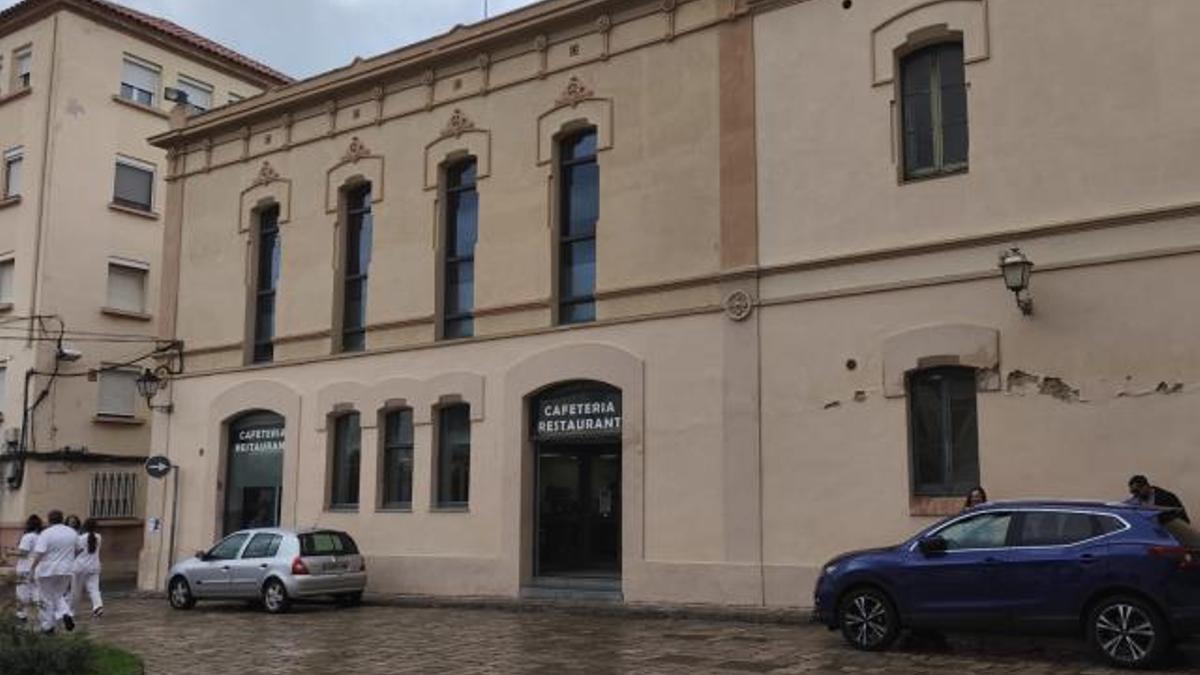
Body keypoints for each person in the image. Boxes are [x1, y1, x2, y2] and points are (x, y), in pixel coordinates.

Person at [30, 510, 78, 634]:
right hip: (66, 570)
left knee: (46, 598)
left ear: (49, 519)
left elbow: (39, 553)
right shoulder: (72, 532)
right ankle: (66, 613)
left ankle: (48, 626)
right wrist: (70, 559)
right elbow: (79, 549)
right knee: (58, 595)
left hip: (47, 570)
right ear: (62, 519)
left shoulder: (46, 533)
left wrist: (32, 568)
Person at [11, 514, 43, 622]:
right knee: (36, 591)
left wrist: (10, 553)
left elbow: (23, 553)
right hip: (37, 567)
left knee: (21, 592)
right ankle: (43, 615)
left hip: (24, 568)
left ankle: (21, 615)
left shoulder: (28, 536)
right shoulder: (41, 537)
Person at [1126, 475, 1190, 523]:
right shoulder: (1136, 500)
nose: (1135, 494)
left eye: (1136, 491)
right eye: (1132, 492)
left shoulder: (1166, 497)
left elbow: (1181, 518)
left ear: (1146, 486)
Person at [74, 519, 104, 617]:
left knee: (76, 589)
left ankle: (72, 609)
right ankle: (98, 606)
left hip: (80, 566)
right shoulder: (98, 537)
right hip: (94, 566)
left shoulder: (80, 538)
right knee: (94, 588)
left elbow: (75, 551)